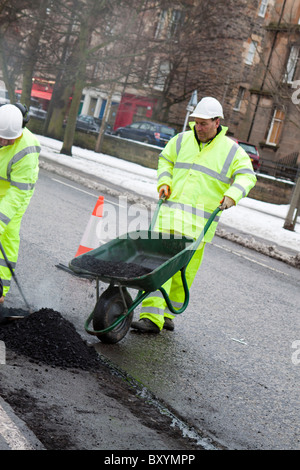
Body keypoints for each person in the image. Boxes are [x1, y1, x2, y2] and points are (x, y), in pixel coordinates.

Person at [131, 96, 257, 334]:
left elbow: (247, 176)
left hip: (198, 228)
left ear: (217, 122)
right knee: (158, 268)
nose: (198, 127)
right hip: (168, 221)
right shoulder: (181, 141)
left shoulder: (231, 151)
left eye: (203, 123)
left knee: (184, 274)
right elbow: (165, 161)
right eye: (196, 122)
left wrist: (232, 196)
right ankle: (151, 317)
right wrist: (165, 182)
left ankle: (168, 314)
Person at [0, 103, 40, 303]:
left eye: (10, 138)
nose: (5, 141)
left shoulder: (27, 148)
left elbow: (16, 192)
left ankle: (1, 290)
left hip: (17, 189)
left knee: (7, 233)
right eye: (1, 137)